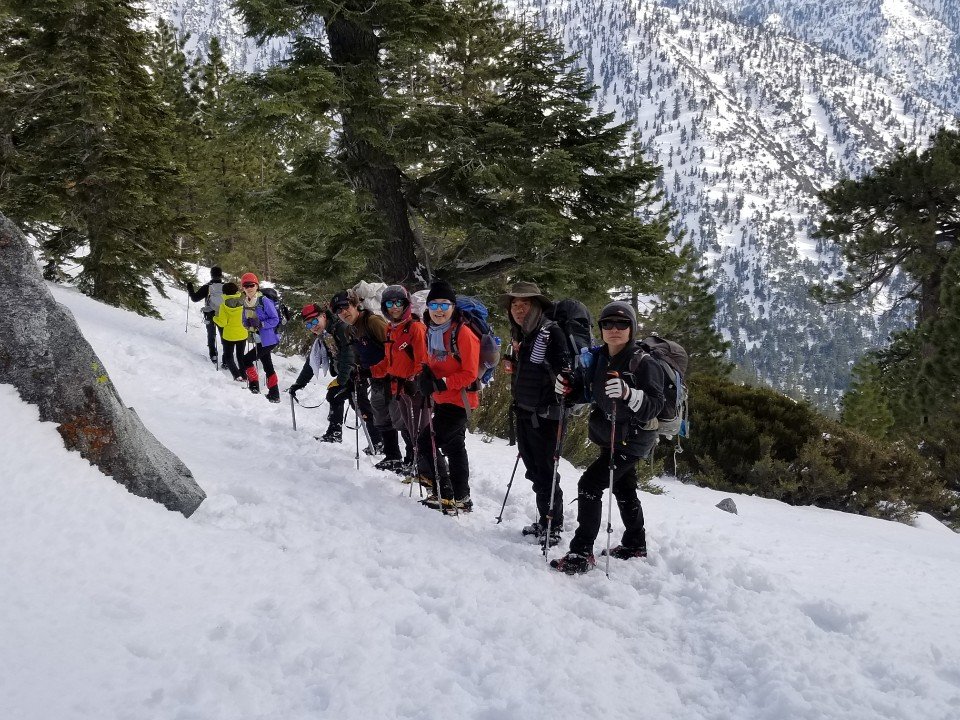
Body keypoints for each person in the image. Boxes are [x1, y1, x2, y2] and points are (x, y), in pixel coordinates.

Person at [551, 301, 665, 574]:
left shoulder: (643, 362)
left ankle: (581, 552)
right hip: (612, 434)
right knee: (623, 486)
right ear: (601, 329)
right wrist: (567, 388)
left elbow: (655, 405)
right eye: (608, 324)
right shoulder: (598, 357)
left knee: (590, 485)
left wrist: (629, 394)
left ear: (632, 328)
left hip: (635, 438)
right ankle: (635, 543)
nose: (614, 329)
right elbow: (586, 392)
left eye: (622, 324)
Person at [500, 281, 573, 547]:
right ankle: (545, 520)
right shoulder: (524, 334)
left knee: (546, 471)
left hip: (548, 415)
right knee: (535, 470)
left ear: (538, 306)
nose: (518, 309)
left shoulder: (551, 333)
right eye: (514, 305)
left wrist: (562, 381)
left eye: (525, 304)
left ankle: (553, 524)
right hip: (526, 413)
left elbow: (565, 371)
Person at [416, 280, 479, 512]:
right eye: (434, 305)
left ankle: (444, 493)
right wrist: (424, 375)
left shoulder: (464, 333)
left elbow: (470, 373)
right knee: (454, 448)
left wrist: (441, 383)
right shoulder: (431, 331)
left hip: (460, 401)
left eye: (444, 305)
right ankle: (462, 497)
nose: (439, 310)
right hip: (443, 400)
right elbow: (429, 360)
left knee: (426, 442)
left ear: (453, 307)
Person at [378, 285, 429, 475]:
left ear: (406, 304)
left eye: (399, 302)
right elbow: (389, 362)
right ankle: (419, 468)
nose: (395, 307)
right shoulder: (391, 329)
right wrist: (369, 372)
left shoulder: (416, 328)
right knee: (409, 431)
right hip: (399, 389)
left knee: (420, 433)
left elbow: (422, 361)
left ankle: (429, 472)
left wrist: (415, 381)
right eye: (390, 303)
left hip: (415, 390)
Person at [287, 303, 355, 442]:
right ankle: (335, 433)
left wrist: (341, 380)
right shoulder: (324, 335)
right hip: (348, 373)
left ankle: (381, 444)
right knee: (335, 396)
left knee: (363, 407)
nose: (313, 325)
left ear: (323, 316)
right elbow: (312, 361)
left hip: (359, 372)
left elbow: (349, 354)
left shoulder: (340, 328)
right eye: (308, 324)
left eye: (315, 321)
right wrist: (299, 383)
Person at [330, 290, 385, 452]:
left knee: (399, 422)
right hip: (375, 378)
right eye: (338, 311)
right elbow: (358, 356)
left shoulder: (373, 322)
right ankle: (390, 454)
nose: (343, 312)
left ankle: (411, 460)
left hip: (392, 376)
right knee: (384, 419)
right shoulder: (350, 330)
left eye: (345, 307)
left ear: (355, 304)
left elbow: (392, 349)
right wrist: (357, 371)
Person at [239, 272, 282, 403]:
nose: (249, 288)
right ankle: (274, 395)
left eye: (251, 285)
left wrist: (261, 324)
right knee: (267, 364)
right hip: (259, 338)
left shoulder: (264, 300)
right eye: (246, 286)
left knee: (246, 359)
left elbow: (275, 319)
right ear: (243, 288)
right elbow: (243, 320)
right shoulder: (246, 302)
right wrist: (247, 324)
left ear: (257, 286)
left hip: (269, 339)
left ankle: (254, 386)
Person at [187, 266, 225, 365]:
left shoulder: (207, 286)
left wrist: (190, 289)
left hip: (210, 314)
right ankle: (226, 360)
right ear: (221, 274)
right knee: (224, 337)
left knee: (211, 335)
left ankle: (213, 355)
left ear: (211, 275)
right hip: (223, 315)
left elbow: (195, 299)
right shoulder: (226, 286)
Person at [212, 281, 248, 382]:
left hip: (229, 336)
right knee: (240, 357)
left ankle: (237, 376)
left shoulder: (223, 306)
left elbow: (222, 323)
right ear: (236, 291)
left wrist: (214, 318)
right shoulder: (243, 302)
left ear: (224, 293)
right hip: (242, 334)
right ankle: (244, 376)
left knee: (228, 357)